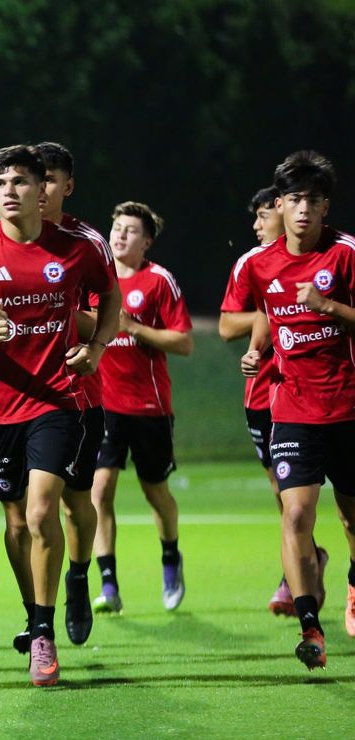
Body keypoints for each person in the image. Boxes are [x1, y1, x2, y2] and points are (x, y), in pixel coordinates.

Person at [0, 145, 119, 687]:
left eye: (20, 181)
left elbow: (111, 300)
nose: (10, 191)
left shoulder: (78, 246)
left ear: (41, 188)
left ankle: (52, 619)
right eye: (1, 183)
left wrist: (96, 350)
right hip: (0, 409)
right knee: (17, 521)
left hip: (62, 401)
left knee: (51, 509)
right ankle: (35, 611)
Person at [240, 150, 355, 670]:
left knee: (350, 516)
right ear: (280, 204)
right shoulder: (260, 263)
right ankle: (311, 627)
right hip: (291, 407)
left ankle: (352, 582)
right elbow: (263, 312)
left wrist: (327, 305)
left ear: (325, 206)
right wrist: (256, 349)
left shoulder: (346, 253)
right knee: (295, 514)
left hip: (347, 406)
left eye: (313, 200)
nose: (303, 209)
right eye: (294, 199)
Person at [220, 187, 328, 617]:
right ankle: (301, 568)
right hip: (265, 394)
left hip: (322, 393)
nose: (256, 225)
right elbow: (226, 326)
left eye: (263, 215)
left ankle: (311, 568)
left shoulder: (328, 257)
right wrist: (274, 306)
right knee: (284, 494)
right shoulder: (254, 264)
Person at [90, 202, 192, 614]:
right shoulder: (95, 278)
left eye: (130, 230)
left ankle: (170, 556)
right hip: (103, 404)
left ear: (146, 241)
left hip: (149, 406)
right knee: (99, 491)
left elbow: (183, 342)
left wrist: (134, 328)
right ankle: (108, 584)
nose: (120, 235)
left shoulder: (158, 281)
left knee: (155, 492)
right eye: (116, 227)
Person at [35, 141, 112, 649]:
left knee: (74, 502)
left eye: (49, 178)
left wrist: (54, 309)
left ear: (68, 185)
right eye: (33, 178)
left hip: (76, 393)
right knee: (31, 511)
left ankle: (79, 576)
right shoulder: (2, 241)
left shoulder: (86, 243)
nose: (39, 188)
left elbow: (107, 314)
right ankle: (36, 618)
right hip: (19, 399)